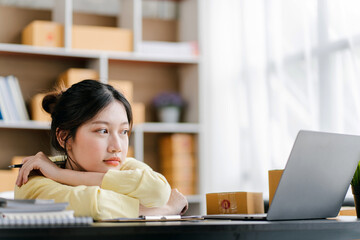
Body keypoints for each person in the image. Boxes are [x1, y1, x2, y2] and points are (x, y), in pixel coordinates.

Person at [14, 79, 188, 220]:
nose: (117, 147)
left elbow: (158, 190)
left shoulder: (123, 165)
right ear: (64, 137)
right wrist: (166, 209)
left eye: (124, 131)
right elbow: (97, 205)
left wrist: (60, 174)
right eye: (102, 131)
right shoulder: (32, 176)